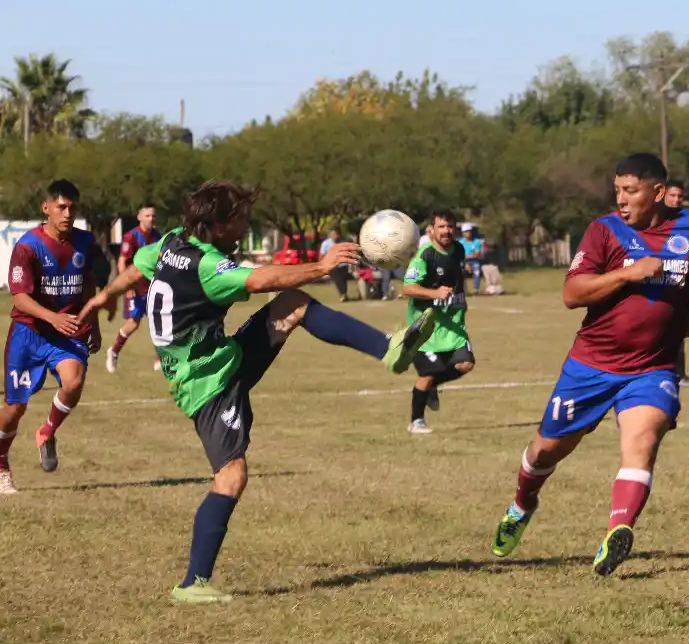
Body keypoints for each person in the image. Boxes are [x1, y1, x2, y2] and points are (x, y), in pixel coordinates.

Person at [78, 180, 436, 604]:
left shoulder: (174, 242)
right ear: (220, 223)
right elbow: (262, 278)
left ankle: (389, 350)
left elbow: (138, 268)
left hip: (221, 360)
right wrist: (321, 267)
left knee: (294, 304)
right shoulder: (207, 266)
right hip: (209, 384)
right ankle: (193, 583)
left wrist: (103, 295)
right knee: (231, 477)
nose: (247, 223)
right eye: (241, 217)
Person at [490, 153, 689, 576]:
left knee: (643, 441)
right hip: (590, 366)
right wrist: (627, 274)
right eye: (617, 190)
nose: (620, 199)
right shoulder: (604, 230)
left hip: (653, 367)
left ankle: (617, 532)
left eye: (630, 191)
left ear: (657, 192)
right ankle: (521, 504)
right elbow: (572, 294)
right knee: (545, 449)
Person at [1, 180, 104, 493]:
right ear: (46, 208)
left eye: (72, 206)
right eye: (61, 206)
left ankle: (46, 432)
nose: (67, 213)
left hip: (67, 331)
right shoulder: (27, 246)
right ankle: (1, 464)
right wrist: (52, 318)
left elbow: (88, 284)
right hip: (29, 333)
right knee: (14, 409)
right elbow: (19, 299)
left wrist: (94, 323)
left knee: (74, 381)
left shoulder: (85, 242)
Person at [401, 208, 476, 434]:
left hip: (453, 326)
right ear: (431, 230)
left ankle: (432, 387)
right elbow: (408, 288)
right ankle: (416, 421)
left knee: (466, 364)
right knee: (428, 374)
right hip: (426, 329)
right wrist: (434, 294)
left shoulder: (459, 250)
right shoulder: (424, 256)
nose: (447, 231)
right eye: (442, 226)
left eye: (450, 226)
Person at [106, 204, 162, 373]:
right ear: (139, 218)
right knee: (133, 323)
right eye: (147, 215)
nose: (151, 218)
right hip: (135, 287)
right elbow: (122, 262)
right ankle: (114, 351)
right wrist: (127, 284)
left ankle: (160, 358)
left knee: (159, 320)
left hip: (152, 286)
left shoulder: (157, 236)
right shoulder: (131, 237)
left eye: (153, 215)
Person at [663, 181, 689, 386]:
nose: (676, 200)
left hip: (679, 283)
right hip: (656, 281)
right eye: (672, 195)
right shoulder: (652, 218)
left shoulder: (688, 220)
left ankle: (679, 374)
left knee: (677, 330)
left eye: (679, 197)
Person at [319, 228, 350, 302]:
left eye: (336, 235)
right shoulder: (325, 244)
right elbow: (322, 255)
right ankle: (342, 294)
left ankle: (344, 294)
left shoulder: (342, 242)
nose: (334, 236)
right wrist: (322, 264)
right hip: (333, 265)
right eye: (333, 235)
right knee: (338, 280)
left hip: (343, 264)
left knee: (343, 280)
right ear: (330, 235)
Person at [459, 223, 486, 295]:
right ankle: (463, 290)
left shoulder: (476, 242)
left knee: (477, 270)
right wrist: (466, 262)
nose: (468, 233)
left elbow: (476, 255)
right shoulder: (460, 242)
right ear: (463, 233)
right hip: (464, 262)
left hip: (474, 262)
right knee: (459, 271)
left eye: (469, 231)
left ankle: (476, 290)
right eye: (465, 232)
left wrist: (466, 256)